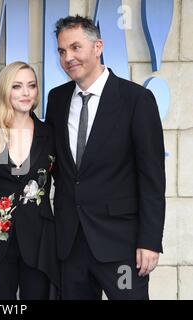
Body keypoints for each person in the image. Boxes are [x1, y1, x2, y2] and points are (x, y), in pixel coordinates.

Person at [45, 15, 166, 299]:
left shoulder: (136, 100)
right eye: (62, 51)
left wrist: (150, 241)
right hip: (71, 245)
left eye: (75, 48)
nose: (68, 58)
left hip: (120, 246)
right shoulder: (57, 99)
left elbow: (151, 178)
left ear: (97, 46)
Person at [0, 62, 60, 300]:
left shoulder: (51, 134)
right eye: (17, 86)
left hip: (40, 240)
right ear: (5, 91)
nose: (26, 93)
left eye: (31, 86)